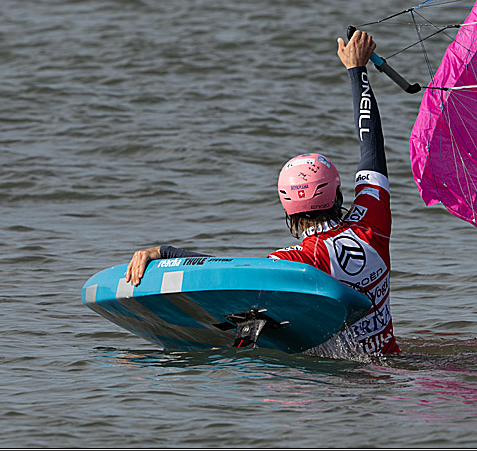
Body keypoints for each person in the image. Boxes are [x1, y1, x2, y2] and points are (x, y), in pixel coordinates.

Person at [123, 31, 399, 356]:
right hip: (389, 363)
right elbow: (371, 145)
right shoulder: (372, 222)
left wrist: (164, 252)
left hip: (338, 387)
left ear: (287, 208)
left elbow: (225, 273)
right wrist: (357, 70)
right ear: (338, 196)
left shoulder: (298, 260)